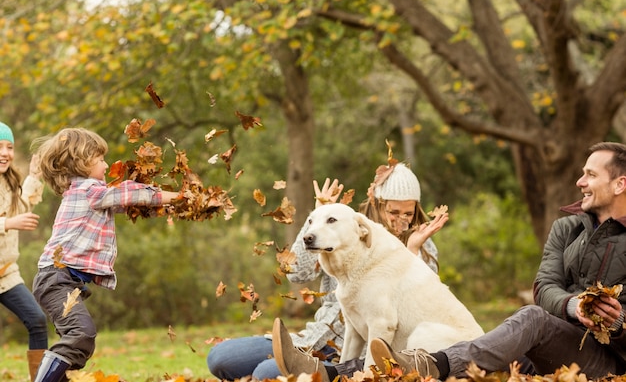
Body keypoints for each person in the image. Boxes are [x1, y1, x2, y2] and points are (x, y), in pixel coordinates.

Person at [369, 141, 626, 380]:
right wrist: (574, 306)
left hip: (607, 362)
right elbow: (545, 288)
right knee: (484, 348)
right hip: (553, 344)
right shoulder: (566, 228)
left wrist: (617, 323)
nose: (580, 182)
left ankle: (433, 365)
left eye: (591, 175)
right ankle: (337, 369)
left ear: (619, 185)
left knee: (531, 320)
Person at [207, 161, 447, 380]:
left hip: (361, 354)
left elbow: (419, 308)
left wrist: (412, 250)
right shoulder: (344, 226)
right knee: (221, 357)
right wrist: (316, 217)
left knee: (266, 374)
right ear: (376, 203)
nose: (401, 221)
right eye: (394, 212)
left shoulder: (422, 244)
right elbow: (296, 274)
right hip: (314, 339)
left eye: (408, 213)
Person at [29, 128, 182, 382]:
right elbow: (128, 193)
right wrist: (174, 197)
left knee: (79, 342)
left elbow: (130, 205)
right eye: (100, 159)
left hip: (61, 281)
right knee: (81, 335)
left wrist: (169, 208)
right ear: (81, 161)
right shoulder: (89, 190)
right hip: (56, 280)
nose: (106, 164)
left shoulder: (93, 194)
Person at [0, 121, 48, 381]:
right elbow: (11, 219)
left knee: (37, 320)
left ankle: (42, 378)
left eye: (9, 147)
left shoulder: (8, 182)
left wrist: (34, 175)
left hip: (6, 274)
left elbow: (21, 205)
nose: (5, 153)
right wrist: (7, 223)